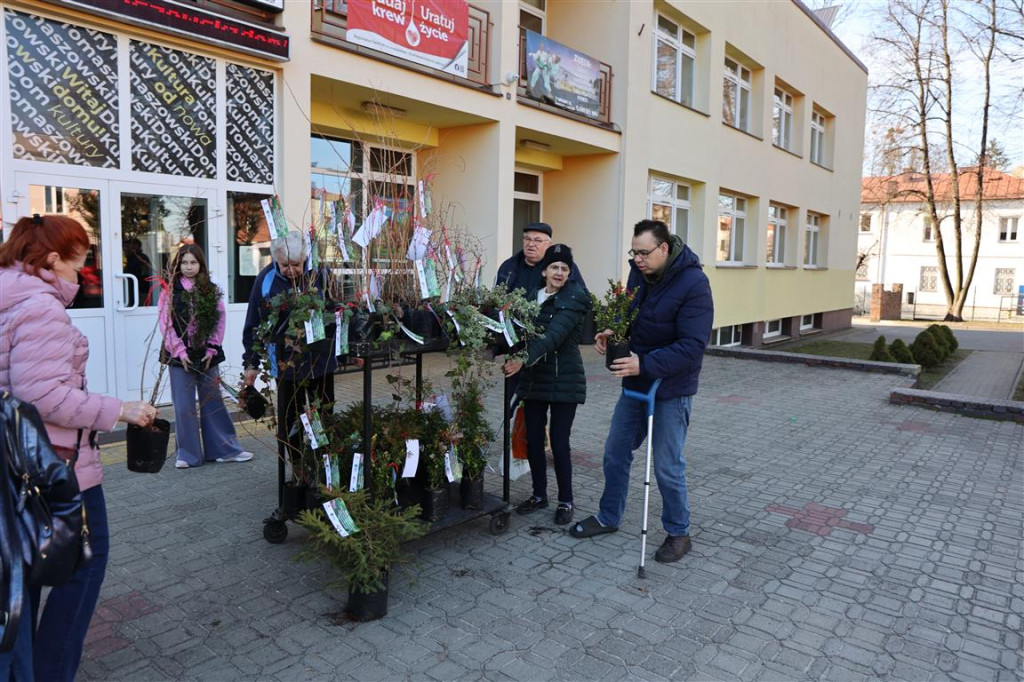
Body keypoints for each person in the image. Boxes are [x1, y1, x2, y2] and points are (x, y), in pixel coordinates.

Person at [0, 214, 156, 681]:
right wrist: (119, 410)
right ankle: (52, 671)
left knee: (24, 577)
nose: (83, 274)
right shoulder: (40, 307)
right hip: (55, 466)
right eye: (79, 263)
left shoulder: (10, 295)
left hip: (17, 464)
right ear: (51, 259)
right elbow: (42, 395)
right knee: (83, 566)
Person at [570, 219, 713, 564]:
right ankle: (608, 516)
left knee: (667, 465)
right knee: (615, 452)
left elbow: (693, 345)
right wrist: (613, 332)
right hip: (636, 383)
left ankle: (679, 533)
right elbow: (634, 318)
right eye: (633, 253)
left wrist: (644, 363)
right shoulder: (640, 274)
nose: (637, 260)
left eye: (644, 253)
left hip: (671, 387)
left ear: (664, 248)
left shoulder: (694, 283)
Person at [501, 245, 590, 526]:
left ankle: (566, 501)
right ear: (544, 271)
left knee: (560, 444)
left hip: (565, 379)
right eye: (555, 267)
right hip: (535, 378)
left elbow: (553, 336)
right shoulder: (530, 298)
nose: (560, 273)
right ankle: (539, 495)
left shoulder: (573, 299)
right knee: (533, 440)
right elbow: (516, 332)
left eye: (565, 268)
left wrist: (522, 359)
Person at [241, 231, 337, 481]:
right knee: (290, 418)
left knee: (322, 414)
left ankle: (324, 465)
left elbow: (337, 312)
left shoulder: (321, 276)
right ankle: (298, 467)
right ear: (276, 260)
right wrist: (251, 363)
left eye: (297, 265)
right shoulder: (266, 280)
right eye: (285, 265)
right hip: (284, 363)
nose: (291, 270)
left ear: (305, 259)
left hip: (320, 359)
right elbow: (253, 324)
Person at [159, 244, 253, 469]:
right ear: (177, 265)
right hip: (178, 356)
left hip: (206, 354)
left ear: (201, 265)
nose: (188, 267)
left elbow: (219, 320)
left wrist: (211, 348)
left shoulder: (211, 289)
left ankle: (225, 449)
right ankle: (188, 454)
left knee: (213, 401)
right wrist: (180, 351)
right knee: (184, 406)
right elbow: (166, 325)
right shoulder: (170, 291)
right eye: (184, 263)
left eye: (193, 262)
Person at [496, 222, 587, 296]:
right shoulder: (509, 266)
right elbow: (497, 298)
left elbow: (581, 296)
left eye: (537, 240)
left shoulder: (562, 267)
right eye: (527, 239)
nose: (531, 244)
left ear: (548, 244)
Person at [123, 237, 153, 306]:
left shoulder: (141, 259)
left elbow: (145, 275)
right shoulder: (132, 259)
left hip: (141, 291)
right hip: (135, 291)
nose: (124, 251)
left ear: (135, 248)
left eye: (126, 248)